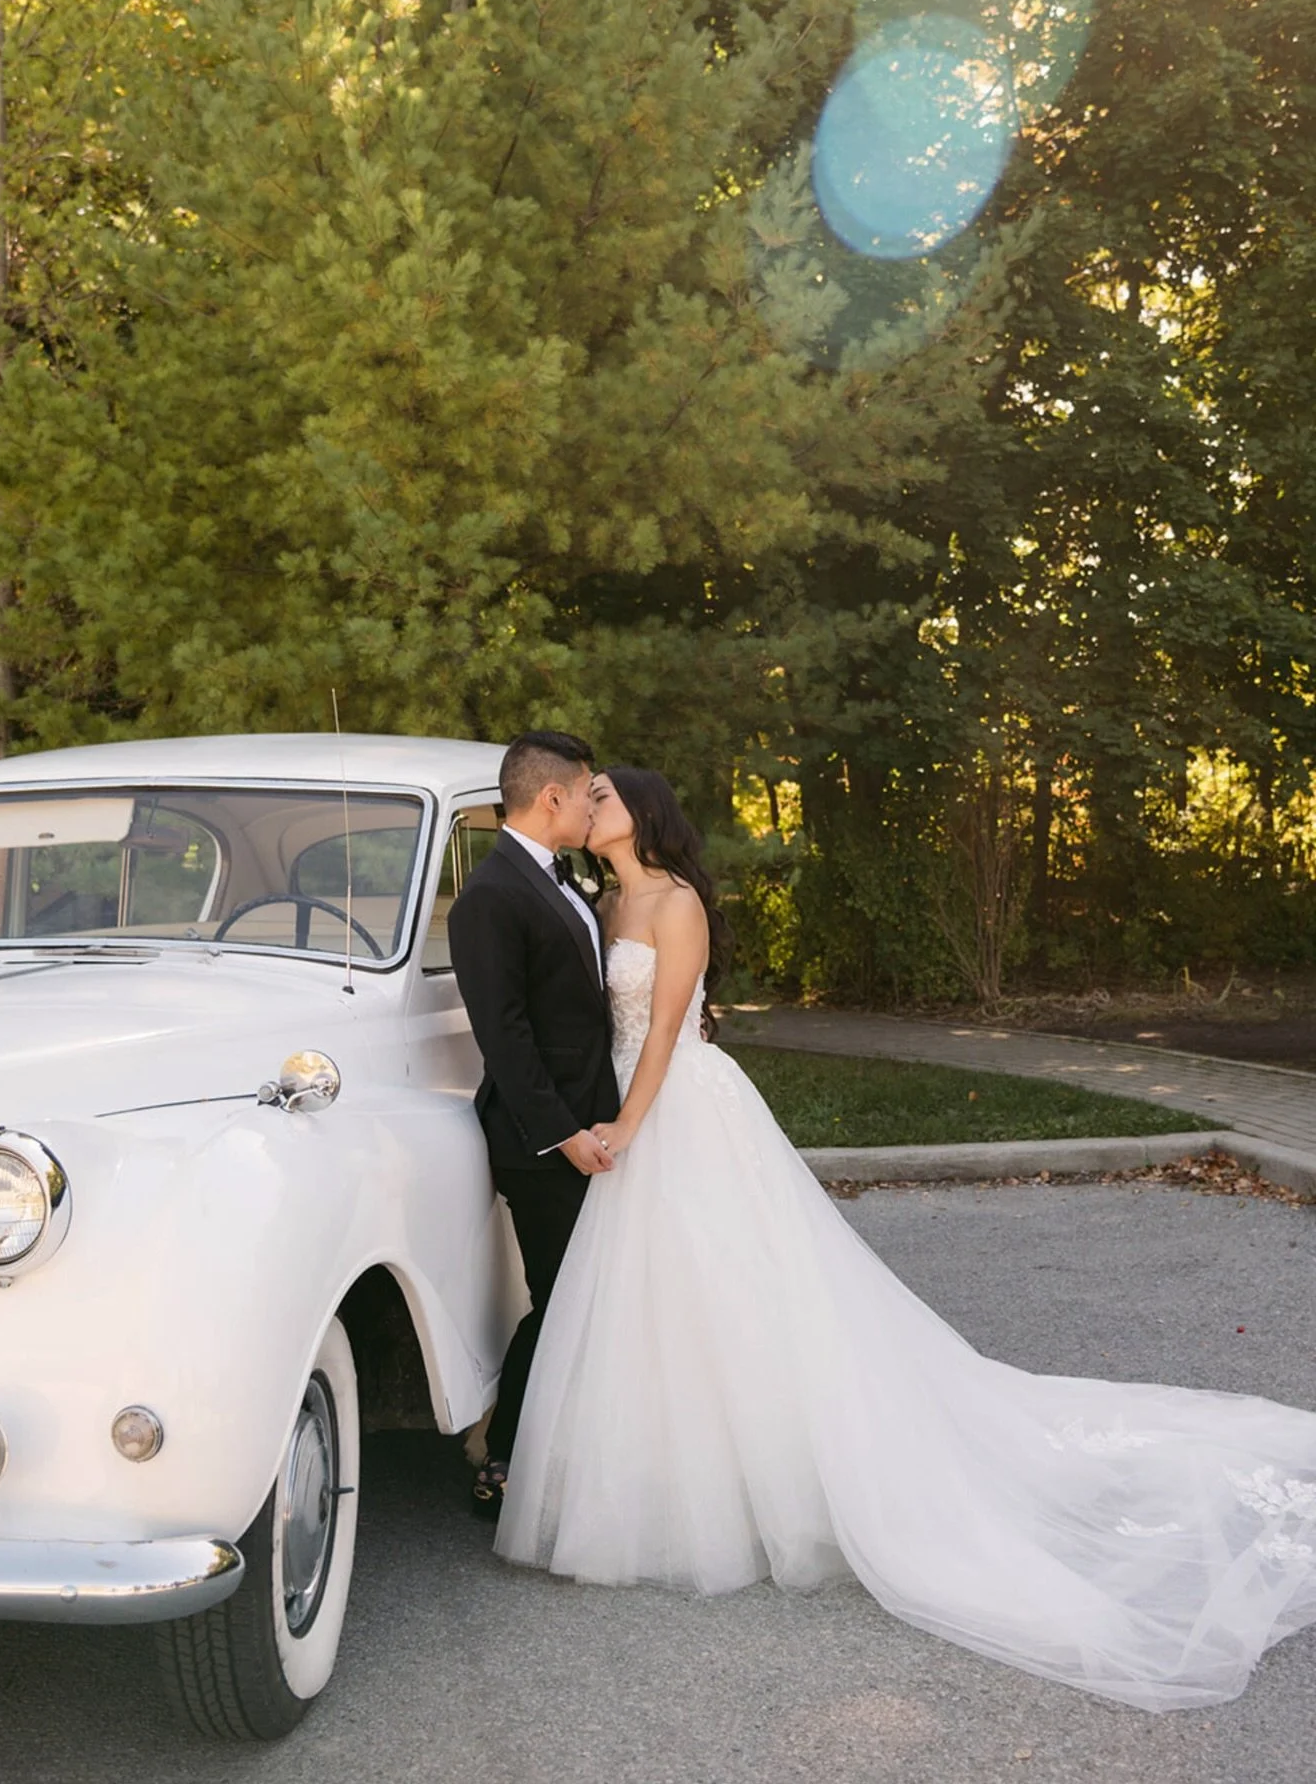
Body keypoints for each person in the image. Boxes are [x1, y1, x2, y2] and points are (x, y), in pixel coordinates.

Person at [494, 765, 1316, 1712]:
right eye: (583, 794)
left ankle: (783, 1487)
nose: (588, 803)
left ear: (644, 810)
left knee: (740, 1287)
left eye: (603, 793)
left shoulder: (675, 902)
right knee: (666, 1304)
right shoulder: (596, 900)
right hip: (624, 1110)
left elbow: (668, 1029)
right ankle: (664, 1488)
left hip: (676, 1109)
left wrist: (628, 1129)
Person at [448, 731, 620, 1519]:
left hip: (591, 1128)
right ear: (552, 795)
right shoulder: (490, 895)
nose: (594, 804)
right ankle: (505, 1452)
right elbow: (505, 1035)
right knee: (560, 1299)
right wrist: (565, 1132)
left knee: (587, 1295)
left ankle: (562, 1446)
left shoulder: (565, 882)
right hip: (539, 1144)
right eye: (588, 790)